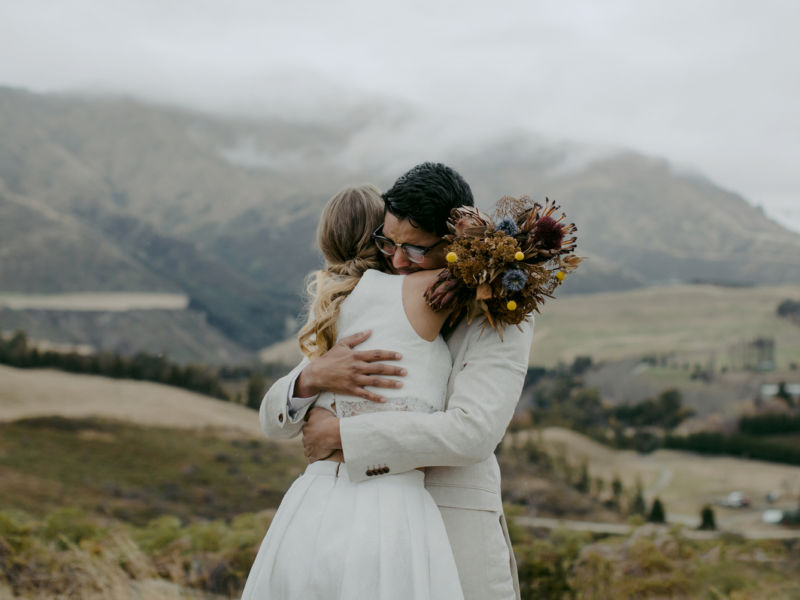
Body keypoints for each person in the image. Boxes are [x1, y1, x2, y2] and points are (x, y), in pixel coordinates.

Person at [261, 162, 534, 600]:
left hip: (453, 528)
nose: (397, 260)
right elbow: (274, 419)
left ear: (455, 241)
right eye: (388, 242)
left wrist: (342, 435)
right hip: (357, 529)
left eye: (415, 249)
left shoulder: (503, 309)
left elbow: (472, 432)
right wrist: (311, 377)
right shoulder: (375, 299)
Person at [241, 183, 464, 599]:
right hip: (389, 507)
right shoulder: (430, 289)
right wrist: (311, 377)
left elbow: (272, 426)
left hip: (310, 506)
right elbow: (503, 266)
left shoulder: (333, 306)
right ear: (383, 238)